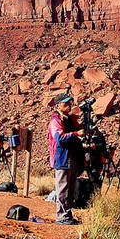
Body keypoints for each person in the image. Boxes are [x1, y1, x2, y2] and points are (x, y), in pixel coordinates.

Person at [48, 93, 83, 225]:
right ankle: (61, 216)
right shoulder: (55, 121)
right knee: (62, 188)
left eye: (70, 103)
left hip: (72, 157)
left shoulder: (68, 119)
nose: (69, 105)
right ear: (58, 105)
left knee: (71, 188)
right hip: (62, 158)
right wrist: (76, 133)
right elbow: (60, 138)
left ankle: (67, 215)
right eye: (66, 103)